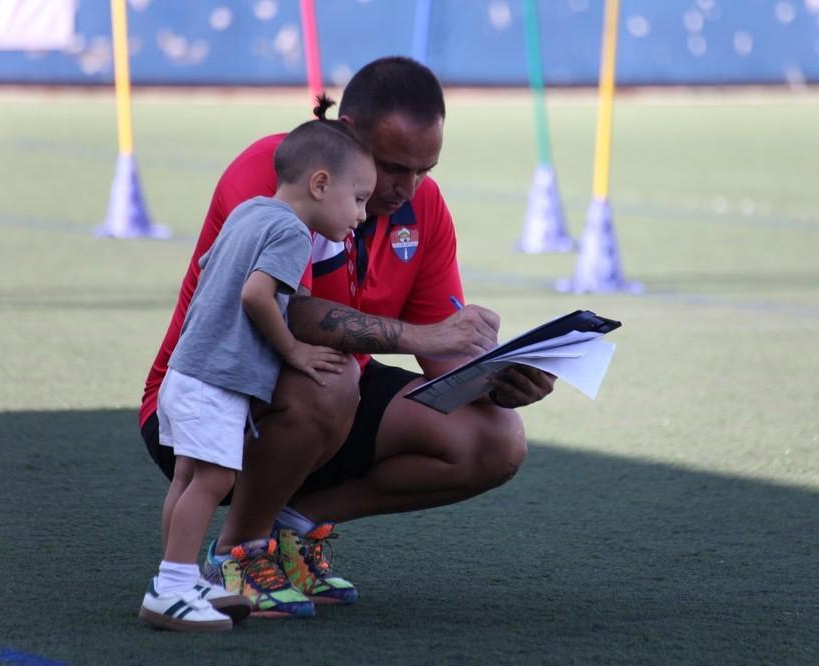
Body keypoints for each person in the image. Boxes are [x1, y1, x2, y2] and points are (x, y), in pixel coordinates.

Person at [139, 56, 556, 619]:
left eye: (425, 170)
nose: (408, 188)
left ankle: (295, 527)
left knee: (496, 439)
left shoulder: (422, 206)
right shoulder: (273, 172)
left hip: (325, 402)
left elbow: (443, 359)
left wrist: (497, 378)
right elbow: (292, 314)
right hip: (209, 398)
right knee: (332, 377)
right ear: (350, 136)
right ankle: (238, 552)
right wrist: (425, 333)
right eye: (393, 167)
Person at [138, 97, 376, 631]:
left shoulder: (251, 212)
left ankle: (177, 576)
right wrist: (292, 351)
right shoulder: (294, 232)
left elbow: (210, 268)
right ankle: (172, 587)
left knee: (187, 478)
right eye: (358, 200)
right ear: (320, 185)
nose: (361, 216)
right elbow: (255, 296)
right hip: (217, 380)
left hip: (184, 372)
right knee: (215, 477)